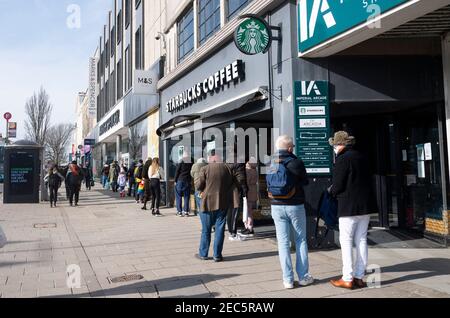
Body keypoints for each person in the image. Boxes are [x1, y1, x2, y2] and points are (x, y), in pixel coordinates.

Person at [328, 131, 376, 290]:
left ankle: (347, 277)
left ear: (338, 144)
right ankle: (359, 276)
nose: (334, 148)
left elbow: (338, 185)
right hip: (365, 205)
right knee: (361, 240)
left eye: (334, 145)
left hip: (348, 206)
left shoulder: (342, 159)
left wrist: (331, 191)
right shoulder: (362, 157)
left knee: (346, 240)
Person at [268, 135, 314, 289]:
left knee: (283, 243)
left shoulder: (271, 162)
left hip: (276, 206)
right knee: (300, 240)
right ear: (289, 148)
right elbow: (305, 181)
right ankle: (303, 277)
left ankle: (287, 280)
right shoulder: (296, 162)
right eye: (292, 146)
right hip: (295, 205)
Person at [195, 160, 235, 262]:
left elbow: (198, 186)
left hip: (207, 203)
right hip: (222, 202)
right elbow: (232, 183)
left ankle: (203, 254)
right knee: (220, 229)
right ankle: (217, 255)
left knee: (206, 230)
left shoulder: (205, 169)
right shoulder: (227, 168)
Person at [226, 153, 248, 242]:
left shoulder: (227, 161)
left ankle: (231, 232)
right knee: (235, 211)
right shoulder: (239, 162)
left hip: (228, 189)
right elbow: (241, 178)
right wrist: (245, 189)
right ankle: (233, 234)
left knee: (230, 211)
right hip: (236, 190)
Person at [241, 158, 258, 237]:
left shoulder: (247, 171)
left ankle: (249, 228)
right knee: (250, 211)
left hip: (248, 192)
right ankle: (249, 227)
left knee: (247, 211)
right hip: (253, 192)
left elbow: (245, 181)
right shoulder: (255, 171)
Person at [174, 153, 193, 217]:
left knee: (178, 196)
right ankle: (186, 211)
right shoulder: (191, 163)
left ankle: (179, 212)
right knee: (186, 196)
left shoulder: (181, 162)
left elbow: (177, 171)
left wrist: (175, 181)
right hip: (187, 181)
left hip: (180, 180)